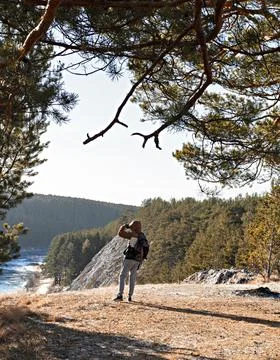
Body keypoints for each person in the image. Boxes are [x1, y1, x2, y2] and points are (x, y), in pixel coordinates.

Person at [113, 220, 149, 302]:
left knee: (122, 276)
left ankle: (120, 295)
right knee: (132, 278)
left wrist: (124, 226)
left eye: (132, 226)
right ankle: (130, 296)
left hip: (129, 258)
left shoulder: (133, 235)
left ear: (134, 227)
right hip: (137, 260)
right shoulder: (142, 236)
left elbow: (120, 233)